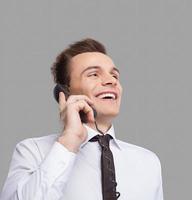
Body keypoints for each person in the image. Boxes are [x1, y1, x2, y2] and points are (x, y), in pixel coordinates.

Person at [0, 38, 164, 200]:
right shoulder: (33, 151)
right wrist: (69, 141)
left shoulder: (148, 162)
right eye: (93, 74)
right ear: (65, 92)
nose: (111, 81)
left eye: (114, 75)